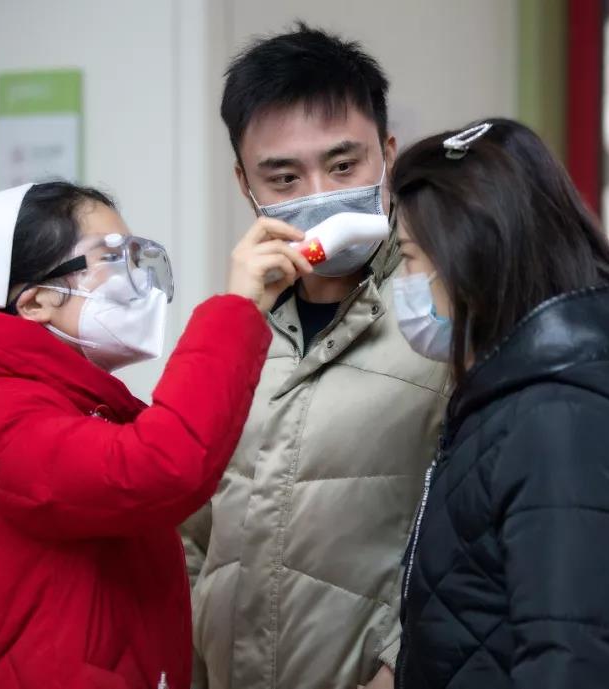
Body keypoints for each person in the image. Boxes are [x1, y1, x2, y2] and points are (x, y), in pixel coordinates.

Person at [0, 181, 312, 689]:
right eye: (111, 258)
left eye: (135, 256)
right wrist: (235, 309)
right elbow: (160, 468)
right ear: (36, 302)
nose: (137, 279)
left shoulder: (69, 407)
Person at [180, 24, 448, 689]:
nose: (320, 192)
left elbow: (485, 540)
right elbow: (185, 529)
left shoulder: (442, 320)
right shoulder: (227, 332)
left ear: (388, 155)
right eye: (284, 177)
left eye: (344, 165)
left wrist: (403, 664)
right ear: (245, 184)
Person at [388, 119, 609, 688]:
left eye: (408, 257)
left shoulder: (560, 425)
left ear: (471, 258)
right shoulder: (513, 407)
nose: (401, 282)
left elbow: (568, 664)